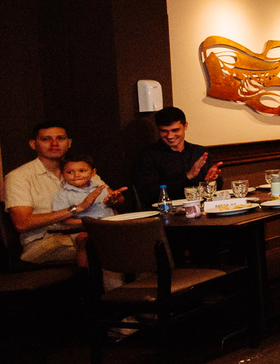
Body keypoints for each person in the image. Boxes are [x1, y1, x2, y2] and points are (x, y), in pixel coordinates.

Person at [4, 121, 125, 264]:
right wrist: (75, 209)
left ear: (69, 143)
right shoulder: (19, 176)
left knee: (135, 241)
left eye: (60, 138)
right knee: (104, 249)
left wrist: (113, 200)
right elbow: (22, 223)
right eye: (46, 139)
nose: (54, 143)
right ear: (33, 144)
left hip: (89, 232)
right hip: (45, 241)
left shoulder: (80, 169)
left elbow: (117, 199)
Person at [132, 107, 222, 204]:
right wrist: (187, 176)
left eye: (175, 130)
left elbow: (211, 192)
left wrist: (212, 180)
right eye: (164, 131)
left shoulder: (199, 151)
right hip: (167, 214)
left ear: (185, 126)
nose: (170, 136)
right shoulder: (149, 156)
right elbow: (151, 195)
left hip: (201, 209)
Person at [51, 153, 116, 267]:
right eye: (70, 172)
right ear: (62, 174)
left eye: (82, 171)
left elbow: (112, 208)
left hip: (108, 227)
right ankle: (86, 276)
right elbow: (65, 221)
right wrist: (90, 223)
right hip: (82, 229)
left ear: (93, 172)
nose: (76, 175)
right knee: (83, 240)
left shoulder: (101, 188)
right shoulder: (62, 195)